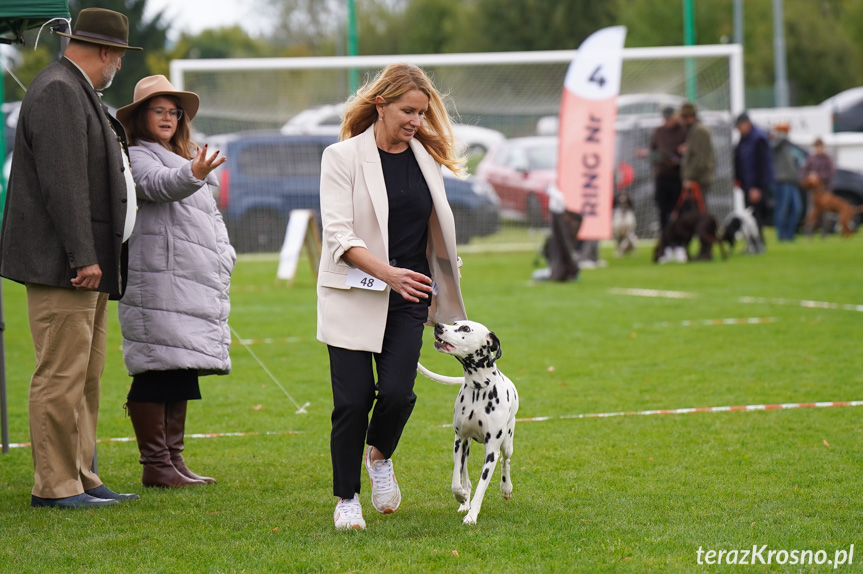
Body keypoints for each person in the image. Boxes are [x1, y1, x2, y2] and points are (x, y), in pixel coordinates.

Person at [0, 8, 142, 508]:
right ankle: (54, 486)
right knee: (61, 375)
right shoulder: (61, 90)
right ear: (105, 52)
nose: (118, 67)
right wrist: (83, 256)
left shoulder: (74, 88)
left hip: (86, 265)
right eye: (119, 58)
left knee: (84, 374)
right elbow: (64, 186)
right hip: (68, 267)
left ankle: (81, 476)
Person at [317, 63, 468, 530]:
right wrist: (388, 274)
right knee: (352, 400)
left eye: (421, 113)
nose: (415, 122)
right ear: (379, 104)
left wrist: (428, 281)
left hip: (411, 295)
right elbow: (338, 235)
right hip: (352, 293)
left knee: (399, 395)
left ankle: (379, 457)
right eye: (407, 111)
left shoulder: (425, 157)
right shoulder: (340, 157)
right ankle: (347, 500)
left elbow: (434, 230)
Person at [115, 76, 234, 488]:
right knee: (155, 369)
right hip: (155, 281)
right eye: (158, 110)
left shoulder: (178, 153)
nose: (167, 118)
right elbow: (157, 186)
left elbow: (209, 219)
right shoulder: (136, 154)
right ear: (140, 117)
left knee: (181, 366)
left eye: (173, 111)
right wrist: (195, 171)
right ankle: (156, 464)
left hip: (185, 280)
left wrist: (224, 255)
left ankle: (173, 461)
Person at [642, 106, 687, 230]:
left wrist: (681, 152)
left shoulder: (682, 131)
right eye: (666, 119)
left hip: (677, 176)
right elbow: (653, 150)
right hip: (661, 176)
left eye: (670, 118)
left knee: (678, 209)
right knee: (662, 209)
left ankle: (678, 239)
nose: (668, 122)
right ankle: (664, 239)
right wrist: (647, 154)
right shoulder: (658, 131)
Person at [734, 112, 774, 238]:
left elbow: (763, 165)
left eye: (739, 126)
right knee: (750, 215)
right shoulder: (744, 139)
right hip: (747, 185)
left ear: (747, 124)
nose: (738, 129)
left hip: (756, 186)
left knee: (756, 216)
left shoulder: (758, 139)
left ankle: (758, 245)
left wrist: (757, 187)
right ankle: (752, 244)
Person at [679, 102, 716, 215]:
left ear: (689, 117)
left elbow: (701, 159)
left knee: (701, 212)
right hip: (698, 178)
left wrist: (689, 178)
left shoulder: (700, 131)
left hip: (699, 179)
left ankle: (706, 232)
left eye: (683, 118)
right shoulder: (696, 129)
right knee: (697, 211)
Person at [769, 123, 802, 241]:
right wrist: (779, 133)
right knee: (782, 209)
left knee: (797, 209)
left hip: (792, 182)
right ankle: (781, 236)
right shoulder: (776, 142)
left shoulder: (787, 146)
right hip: (781, 181)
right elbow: (773, 145)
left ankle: (789, 235)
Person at [800, 137, 836, 235]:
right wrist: (810, 177)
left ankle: (825, 233)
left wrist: (818, 177)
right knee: (811, 212)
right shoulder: (810, 159)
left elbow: (831, 172)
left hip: (825, 190)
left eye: (820, 147)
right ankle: (809, 233)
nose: (819, 149)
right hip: (813, 192)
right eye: (817, 147)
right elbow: (803, 172)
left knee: (826, 212)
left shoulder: (828, 159)